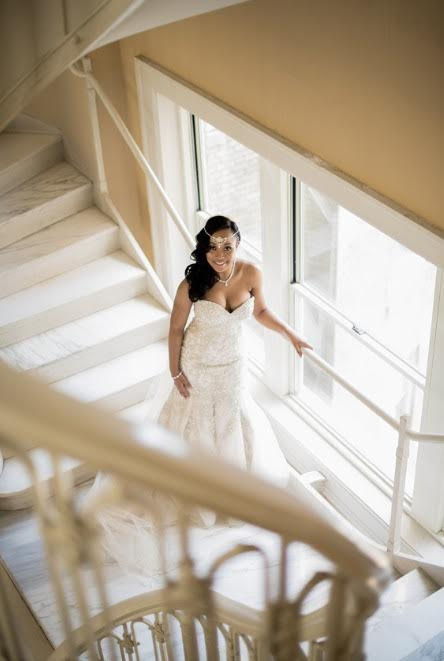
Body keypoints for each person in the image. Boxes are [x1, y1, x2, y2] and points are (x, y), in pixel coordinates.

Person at [83, 215, 313, 582]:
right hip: (197, 366)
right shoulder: (192, 283)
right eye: (212, 247)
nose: (220, 254)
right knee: (193, 423)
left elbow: (261, 311)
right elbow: (175, 329)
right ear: (203, 249)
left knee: (230, 422)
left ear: (237, 245)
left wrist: (290, 334)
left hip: (232, 366)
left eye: (227, 247)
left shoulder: (251, 273)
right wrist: (175, 371)